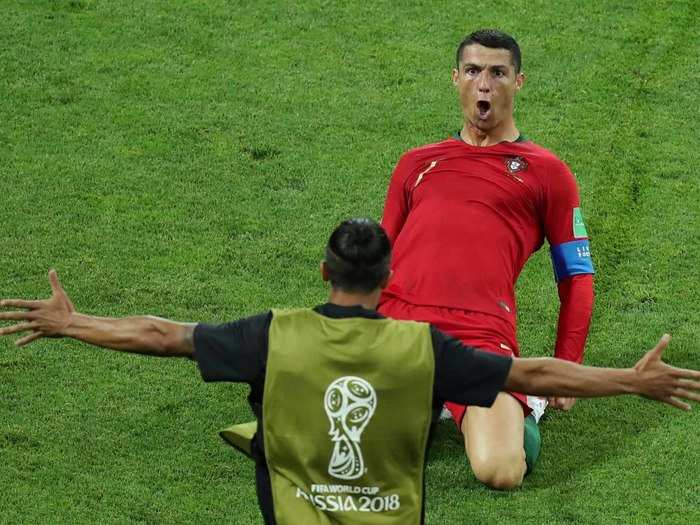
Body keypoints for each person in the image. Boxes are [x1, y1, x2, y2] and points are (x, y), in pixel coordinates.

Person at [1, 219, 698, 525]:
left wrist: (73, 322)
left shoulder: (273, 336)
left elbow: (160, 335)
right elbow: (536, 371)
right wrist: (631, 381)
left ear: (325, 272)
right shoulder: (424, 347)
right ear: (388, 276)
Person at [379, 29, 595, 488]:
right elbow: (373, 262)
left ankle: (524, 402)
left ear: (518, 82)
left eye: (498, 72)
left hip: (479, 338)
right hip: (399, 329)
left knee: (501, 470)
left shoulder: (548, 173)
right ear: (456, 78)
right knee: (354, 445)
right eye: (474, 71)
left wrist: (565, 367)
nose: (484, 84)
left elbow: (576, 277)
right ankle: (431, 401)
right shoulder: (417, 163)